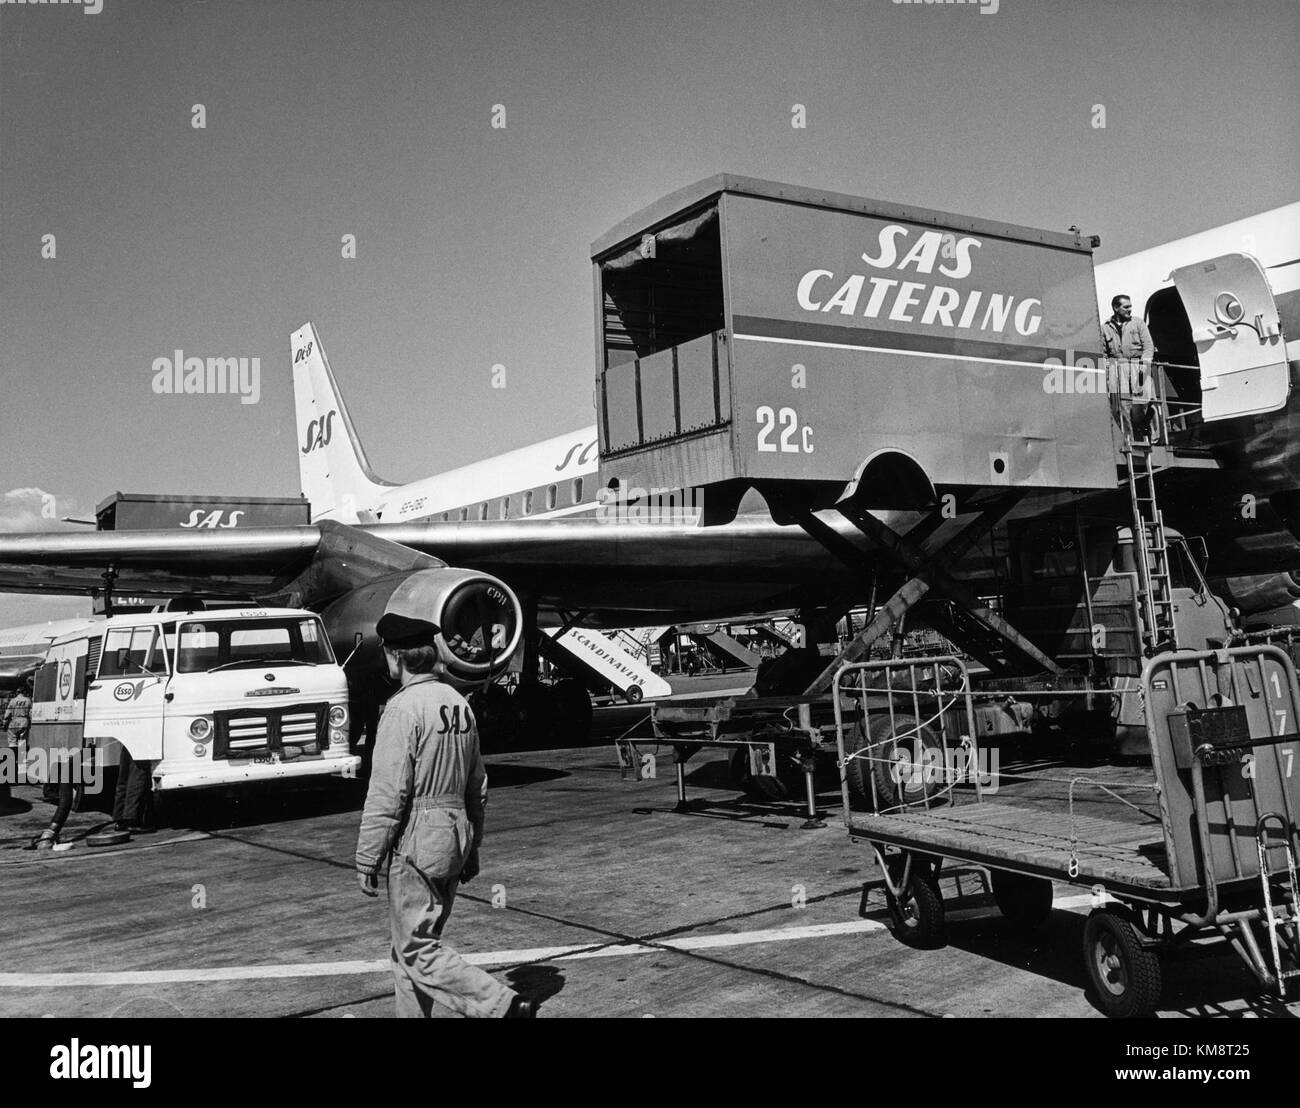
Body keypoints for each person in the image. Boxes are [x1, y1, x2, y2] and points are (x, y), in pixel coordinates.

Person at [355, 606, 535, 1018]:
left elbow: (388, 793)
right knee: (409, 951)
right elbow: (478, 788)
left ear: (394, 656)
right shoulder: (459, 705)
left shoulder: (402, 710)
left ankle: (503, 1005)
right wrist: (472, 848)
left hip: (418, 841)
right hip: (453, 836)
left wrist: (367, 856)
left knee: (416, 949)